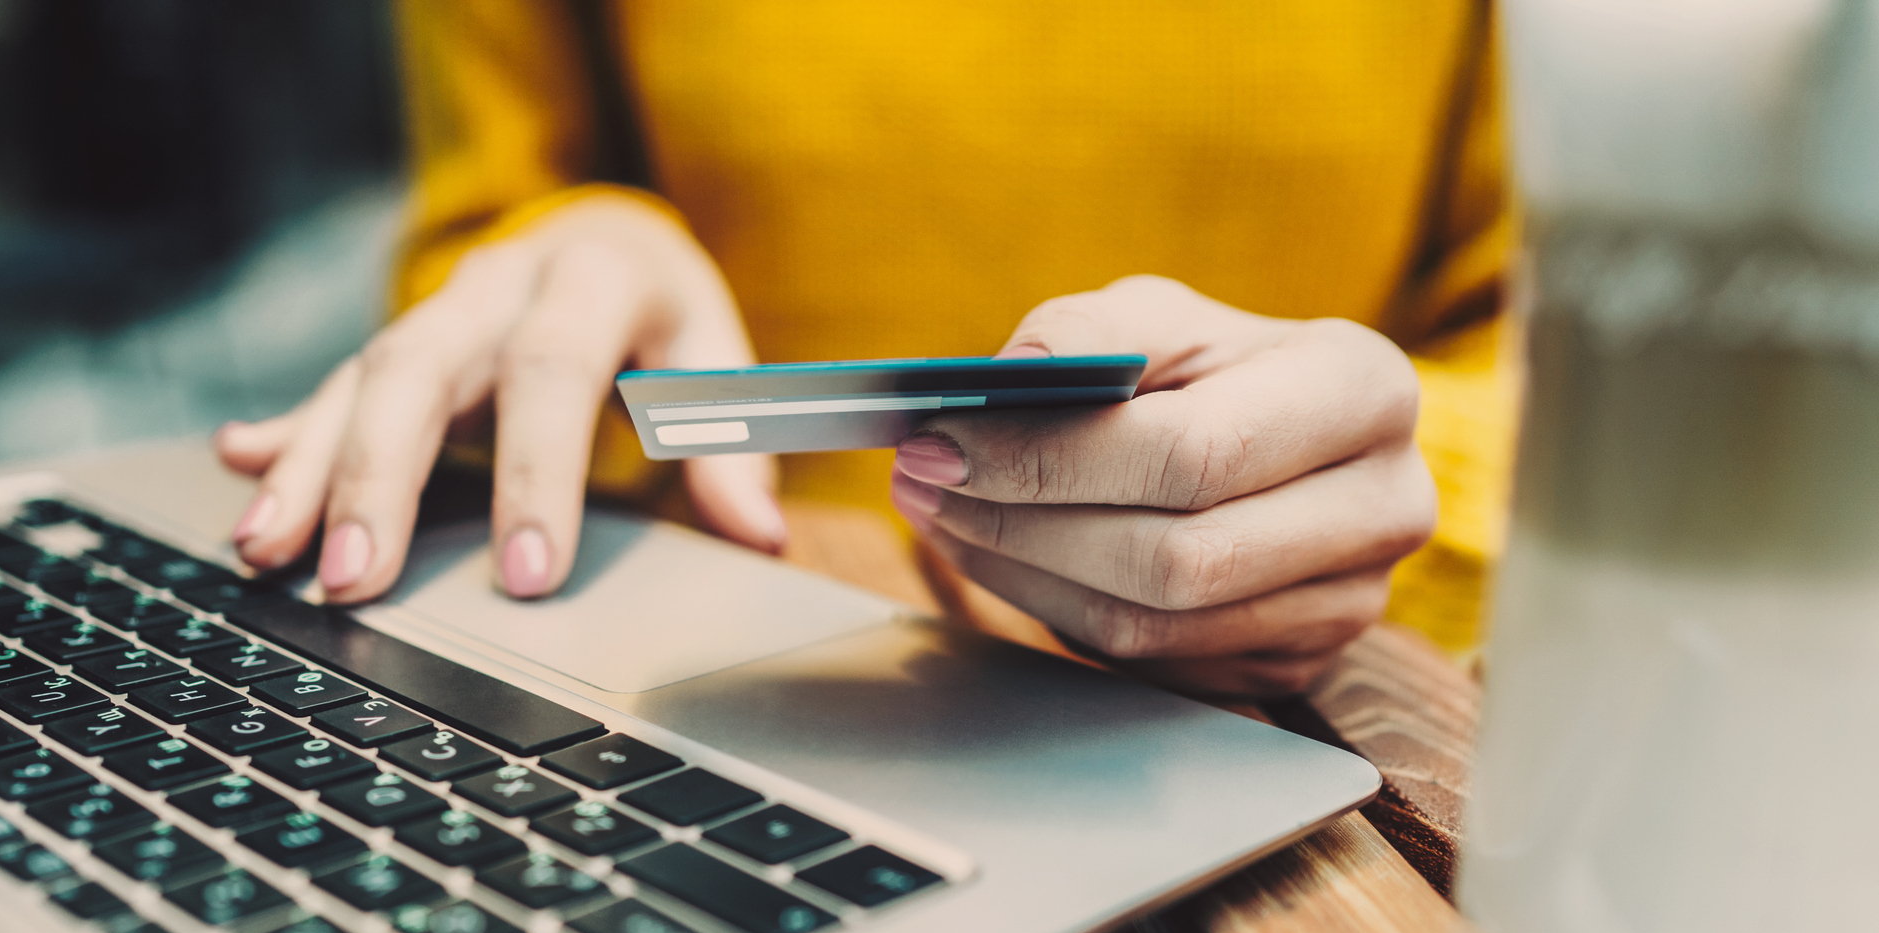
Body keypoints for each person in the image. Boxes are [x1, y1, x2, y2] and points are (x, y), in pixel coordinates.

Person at [216, 0, 1513, 698]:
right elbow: (476, 241)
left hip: (1292, 719)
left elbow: (1578, 382)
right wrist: (573, 255)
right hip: (670, 665)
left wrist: (1370, 497)